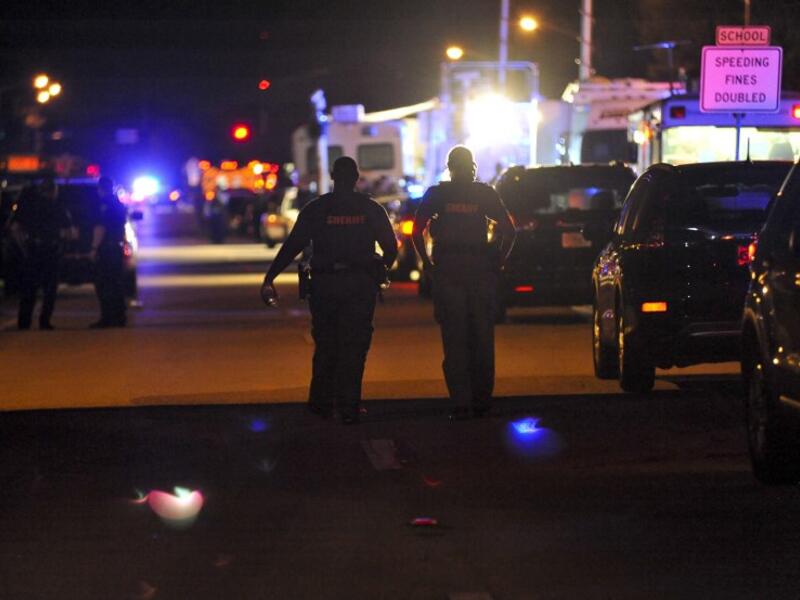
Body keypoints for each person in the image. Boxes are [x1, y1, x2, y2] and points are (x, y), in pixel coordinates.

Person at [261, 157, 397, 424]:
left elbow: (293, 246)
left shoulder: (317, 208)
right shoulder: (370, 209)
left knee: (326, 344)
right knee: (355, 347)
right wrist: (380, 272)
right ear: (356, 177)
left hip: (325, 285)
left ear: (333, 176)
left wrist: (270, 278)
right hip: (359, 285)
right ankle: (349, 406)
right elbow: (390, 247)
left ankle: (321, 404)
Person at [412, 146, 516, 420]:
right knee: (482, 337)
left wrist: (427, 264)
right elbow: (509, 230)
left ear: (449, 166)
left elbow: (416, 229)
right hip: (480, 272)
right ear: (472, 167)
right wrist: (498, 261)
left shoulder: (437, 194)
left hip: (448, 272)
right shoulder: (484, 193)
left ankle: (461, 402)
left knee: (454, 338)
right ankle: (482, 401)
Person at [8, 176, 72, 330]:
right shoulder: (57, 207)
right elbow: (69, 231)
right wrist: (62, 243)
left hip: (33, 250)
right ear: (53, 191)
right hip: (51, 251)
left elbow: (15, 228)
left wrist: (23, 247)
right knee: (49, 290)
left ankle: (24, 323)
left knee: (29, 289)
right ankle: (45, 322)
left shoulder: (28, 206)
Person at [89, 176, 127, 328]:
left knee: (104, 284)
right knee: (116, 283)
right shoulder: (118, 204)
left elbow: (100, 228)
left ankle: (107, 318)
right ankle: (119, 317)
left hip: (106, 249)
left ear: (101, 189)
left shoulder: (104, 205)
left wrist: (93, 248)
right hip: (116, 247)